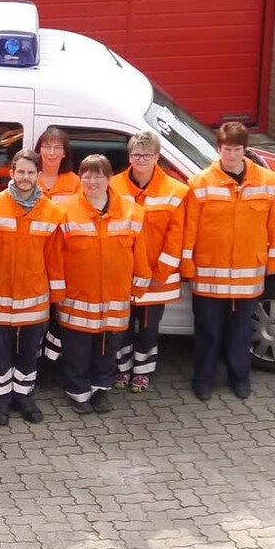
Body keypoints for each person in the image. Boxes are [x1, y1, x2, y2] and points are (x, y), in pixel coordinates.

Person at [180, 122, 275, 401]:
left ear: (245, 149)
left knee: (240, 333)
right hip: (209, 275)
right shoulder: (200, 184)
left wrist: (273, 261)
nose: (232, 155)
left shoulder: (268, 182)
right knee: (208, 333)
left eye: (237, 149)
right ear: (219, 149)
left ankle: (240, 378)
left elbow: (273, 225)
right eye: (227, 149)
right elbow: (189, 229)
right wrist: (186, 264)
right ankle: (203, 380)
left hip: (247, 275)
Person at [55, 156, 148, 415]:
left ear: (109, 179)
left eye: (98, 176)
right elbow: (55, 255)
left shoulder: (132, 212)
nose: (92, 182)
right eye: (86, 176)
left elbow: (140, 253)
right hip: (77, 297)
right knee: (77, 350)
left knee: (108, 348)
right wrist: (58, 291)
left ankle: (100, 390)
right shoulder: (64, 210)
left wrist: (139, 286)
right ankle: (78, 392)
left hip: (115, 298)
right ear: (80, 178)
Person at [0, 150, 66, 426]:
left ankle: (24, 396)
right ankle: (1, 398)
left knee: (29, 352)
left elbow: (54, 257)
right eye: (21, 172)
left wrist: (58, 297)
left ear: (39, 175)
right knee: (0, 351)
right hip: (0, 294)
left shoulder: (53, 213)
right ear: (12, 173)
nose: (25, 177)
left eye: (31, 172)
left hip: (34, 295)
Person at [111, 131, 187, 391]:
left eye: (146, 154)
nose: (140, 159)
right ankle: (121, 369)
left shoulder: (176, 191)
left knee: (147, 326)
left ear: (157, 156)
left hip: (156, 274)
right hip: (123, 272)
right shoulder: (114, 186)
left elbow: (176, 237)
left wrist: (162, 272)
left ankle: (142, 371)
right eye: (135, 154)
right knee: (121, 324)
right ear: (129, 156)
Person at [36, 126, 82, 206]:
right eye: (47, 147)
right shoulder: (29, 177)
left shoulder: (75, 182)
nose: (52, 152)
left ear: (64, 153)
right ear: (39, 150)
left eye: (57, 147)